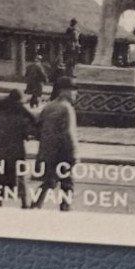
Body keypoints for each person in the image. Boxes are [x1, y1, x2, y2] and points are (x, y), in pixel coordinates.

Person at [0, 90, 36, 208]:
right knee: (20, 175)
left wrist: (0, 136)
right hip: (16, 148)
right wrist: (26, 136)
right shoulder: (22, 113)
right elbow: (32, 126)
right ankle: (24, 203)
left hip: (0, 149)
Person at [33, 80, 78, 210]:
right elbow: (69, 133)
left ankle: (35, 205)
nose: (76, 93)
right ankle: (65, 209)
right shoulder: (67, 108)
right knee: (67, 183)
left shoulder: (49, 106)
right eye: (73, 90)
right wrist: (74, 153)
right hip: (63, 152)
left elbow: (38, 129)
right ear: (63, 91)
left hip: (48, 151)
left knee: (49, 181)